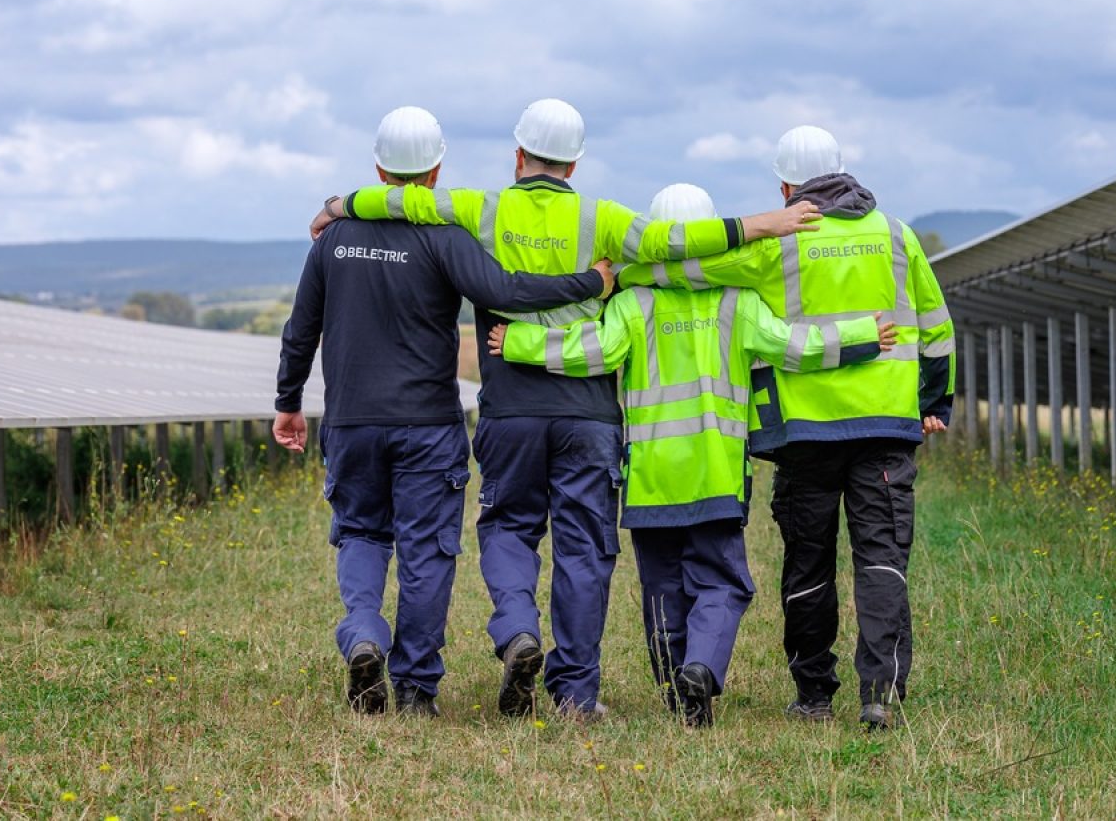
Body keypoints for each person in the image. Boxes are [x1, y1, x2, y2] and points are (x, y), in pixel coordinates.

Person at [305, 99, 823, 721]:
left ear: (518, 155)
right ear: (575, 162)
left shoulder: (480, 208)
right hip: (588, 414)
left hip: (510, 409)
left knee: (507, 529)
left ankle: (519, 627)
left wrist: (340, 205)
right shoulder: (602, 218)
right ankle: (576, 694)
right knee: (582, 552)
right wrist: (761, 224)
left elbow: (405, 202)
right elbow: (671, 242)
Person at [487, 182, 898, 727]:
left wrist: (517, 342)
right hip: (716, 474)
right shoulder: (738, 300)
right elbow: (792, 346)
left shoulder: (632, 301)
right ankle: (701, 668)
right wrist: (861, 335)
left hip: (653, 479)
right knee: (722, 582)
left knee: (661, 590)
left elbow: (596, 351)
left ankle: (675, 689)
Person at [272, 106, 615, 719]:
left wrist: (288, 403)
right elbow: (507, 293)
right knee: (427, 552)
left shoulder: (333, 243)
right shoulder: (446, 236)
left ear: (378, 167)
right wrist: (589, 282)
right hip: (429, 425)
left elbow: (301, 330)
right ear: (435, 172)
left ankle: (364, 634)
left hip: (350, 421)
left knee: (360, 533)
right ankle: (415, 691)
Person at [619, 128, 956, 730]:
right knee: (882, 559)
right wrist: (935, 402)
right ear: (846, 172)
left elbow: (686, 266)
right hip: (886, 428)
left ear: (785, 186)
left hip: (806, 436)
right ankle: (879, 692)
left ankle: (814, 695)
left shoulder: (778, 246)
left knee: (809, 563)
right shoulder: (898, 236)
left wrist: (618, 271)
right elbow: (937, 328)